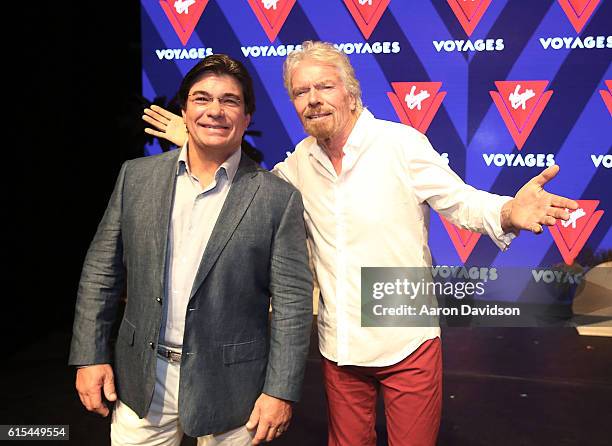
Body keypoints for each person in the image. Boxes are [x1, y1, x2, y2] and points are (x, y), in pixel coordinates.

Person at [142, 41, 578, 446]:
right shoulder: (299, 163)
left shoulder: (399, 144)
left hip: (407, 336)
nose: (313, 99)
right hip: (340, 344)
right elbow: (250, 189)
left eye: (324, 87)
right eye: (300, 91)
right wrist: (198, 141)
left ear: (351, 93)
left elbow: (461, 202)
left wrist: (507, 211)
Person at [70, 54, 313, 446]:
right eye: (202, 99)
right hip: (142, 381)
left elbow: (293, 304)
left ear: (247, 116)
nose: (214, 111)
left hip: (236, 392)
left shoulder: (276, 198)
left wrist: (280, 391)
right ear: (184, 110)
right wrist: (90, 355)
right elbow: (101, 271)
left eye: (230, 101)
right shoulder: (137, 177)